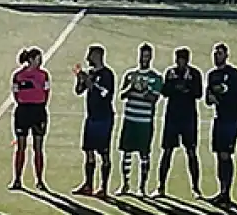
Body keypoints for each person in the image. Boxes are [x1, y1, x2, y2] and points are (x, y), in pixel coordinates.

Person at [157, 47, 204, 198]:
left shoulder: (195, 74)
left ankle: (196, 188)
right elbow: (164, 92)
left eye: (183, 59)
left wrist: (186, 88)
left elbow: (198, 93)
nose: (180, 62)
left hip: (188, 118)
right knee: (167, 151)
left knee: (191, 151)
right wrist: (175, 87)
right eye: (178, 59)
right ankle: (161, 186)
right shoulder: (170, 73)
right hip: (172, 117)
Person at [116, 44, 162, 197]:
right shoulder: (130, 75)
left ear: (151, 57)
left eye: (147, 56)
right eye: (143, 55)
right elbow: (122, 95)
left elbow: (154, 98)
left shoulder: (155, 78)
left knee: (144, 154)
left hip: (144, 121)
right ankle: (125, 184)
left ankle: (142, 187)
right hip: (129, 119)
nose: (144, 59)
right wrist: (131, 88)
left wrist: (143, 90)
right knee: (126, 152)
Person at [72, 45, 116, 198]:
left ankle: (103, 187)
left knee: (104, 153)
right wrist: (80, 79)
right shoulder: (90, 73)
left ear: (97, 56)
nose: (87, 58)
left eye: (90, 55)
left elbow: (104, 94)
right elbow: (79, 91)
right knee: (88, 151)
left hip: (104, 118)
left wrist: (88, 80)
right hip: (91, 117)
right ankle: (88, 185)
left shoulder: (107, 75)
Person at [205, 44, 237, 206]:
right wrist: (211, 98)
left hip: (232, 118)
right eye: (215, 54)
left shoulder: (234, 74)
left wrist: (223, 95)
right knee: (218, 154)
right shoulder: (212, 75)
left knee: (225, 154)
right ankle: (221, 191)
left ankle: (226, 192)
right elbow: (208, 97)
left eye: (219, 54)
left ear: (226, 55)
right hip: (219, 118)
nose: (216, 57)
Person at [10, 47, 50, 191]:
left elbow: (47, 93)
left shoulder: (44, 75)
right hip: (23, 111)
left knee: (38, 147)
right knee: (21, 147)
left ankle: (39, 180)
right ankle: (17, 180)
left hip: (38, 111)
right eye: (38, 58)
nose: (41, 61)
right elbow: (15, 93)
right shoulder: (18, 76)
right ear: (31, 60)